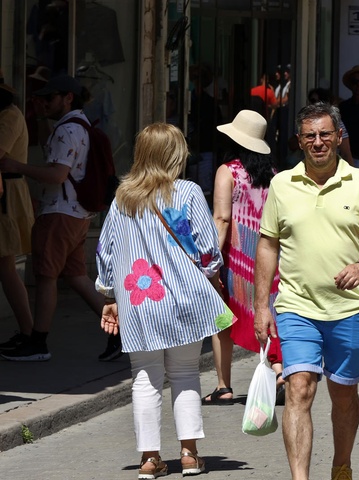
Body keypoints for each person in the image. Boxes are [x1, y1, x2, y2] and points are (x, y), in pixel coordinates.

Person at [254, 102, 359, 480]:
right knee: (299, 389)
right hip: (296, 306)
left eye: (325, 134)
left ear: (338, 137)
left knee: (343, 395)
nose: (318, 142)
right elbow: (267, 245)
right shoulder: (282, 184)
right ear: (299, 140)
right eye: (310, 135)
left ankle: (341, 464)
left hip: (349, 309)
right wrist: (261, 305)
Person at [95, 123, 229, 479]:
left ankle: (150, 459)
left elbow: (106, 251)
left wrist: (109, 294)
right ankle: (189, 454)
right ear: (176, 154)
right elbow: (206, 248)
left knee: (144, 377)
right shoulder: (186, 192)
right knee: (185, 374)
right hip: (184, 299)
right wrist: (212, 271)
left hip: (139, 301)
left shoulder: (123, 196)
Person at [0, 75, 114, 362]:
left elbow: (57, 175)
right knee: (76, 276)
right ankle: (121, 331)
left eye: (48, 99)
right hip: (77, 213)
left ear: (68, 98)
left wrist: (17, 166)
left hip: (60, 212)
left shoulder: (67, 131)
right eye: (41, 98)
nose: (43, 103)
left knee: (46, 277)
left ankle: (38, 342)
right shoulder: (79, 126)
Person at [202, 110, 282, 405]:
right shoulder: (273, 173)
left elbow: (221, 218)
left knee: (222, 318)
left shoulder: (228, 171)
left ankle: (223, 386)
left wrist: (208, 259)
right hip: (267, 257)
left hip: (235, 260)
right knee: (267, 313)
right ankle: (279, 369)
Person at [0, 81, 35, 353]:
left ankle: (28, 331)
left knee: (7, 266)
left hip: (7, 195)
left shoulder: (9, 115)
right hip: (7, 191)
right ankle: (28, 331)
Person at [308, 88, 354, 165]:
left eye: (321, 101)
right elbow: (292, 144)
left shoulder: (337, 123)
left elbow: (346, 153)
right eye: (313, 101)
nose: (317, 104)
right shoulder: (305, 122)